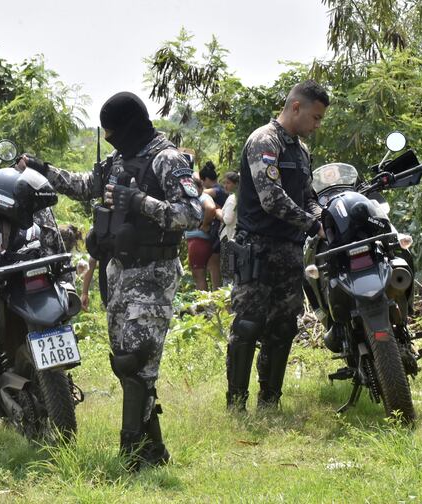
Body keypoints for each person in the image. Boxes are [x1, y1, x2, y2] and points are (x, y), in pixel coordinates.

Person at [20, 91, 202, 470]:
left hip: (153, 275)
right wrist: (42, 169)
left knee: (135, 363)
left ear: (130, 126)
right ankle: (154, 451)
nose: (112, 138)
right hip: (117, 276)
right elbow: (82, 185)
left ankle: (131, 453)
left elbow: (192, 214)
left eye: (115, 131)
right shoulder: (117, 161)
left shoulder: (167, 160)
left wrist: (138, 202)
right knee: (127, 365)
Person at [226, 80, 328, 411]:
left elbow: (308, 197)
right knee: (248, 324)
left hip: (289, 250)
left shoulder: (301, 151)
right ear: (296, 107)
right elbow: (271, 198)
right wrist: (312, 223)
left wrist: (323, 217)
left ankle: (270, 400)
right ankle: (236, 404)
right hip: (256, 248)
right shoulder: (263, 141)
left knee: (284, 326)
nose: (316, 125)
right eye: (315, 117)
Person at [186, 174, 221, 291]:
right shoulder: (199, 198)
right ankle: (213, 305)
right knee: (210, 274)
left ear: (200, 187)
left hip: (198, 241)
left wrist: (205, 224)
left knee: (199, 276)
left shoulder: (203, 197)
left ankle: (203, 307)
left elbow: (211, 208)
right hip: (203, 240)